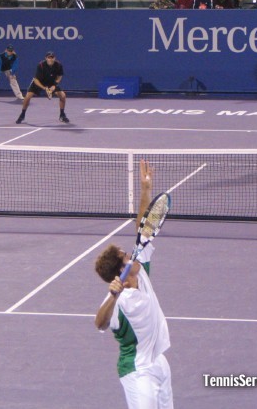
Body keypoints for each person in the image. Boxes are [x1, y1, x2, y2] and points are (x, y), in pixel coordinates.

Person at [94, 159, 173, 409]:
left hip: (159, 363)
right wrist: (113, 297)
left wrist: (145, 192)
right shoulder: (119, 299)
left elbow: (143, 231)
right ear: (121, 269)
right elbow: (99, 323)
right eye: (126, 256)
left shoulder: (141, 272)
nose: (131, 254)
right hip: (138, 372)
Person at [16, 51, 69, 124]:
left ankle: (62, 115)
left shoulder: (59, 65)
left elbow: (59, 76)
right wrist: (45, 88)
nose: (50, 59)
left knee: (63, 96)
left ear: (54, 58)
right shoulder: (41, 65)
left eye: (52, 58)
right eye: (49, 58)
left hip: (51, 83)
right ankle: (22, 114)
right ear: (46, 58)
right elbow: (36, 80)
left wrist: (54, 85)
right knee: (28, 97)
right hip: (39, 82)